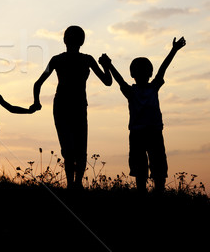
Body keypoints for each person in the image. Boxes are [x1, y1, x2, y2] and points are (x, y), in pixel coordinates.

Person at [99, 36, 186, 194]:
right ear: (150, 73)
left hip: (141, 133)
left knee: (144, 168)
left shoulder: (133, 91)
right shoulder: (150, 88)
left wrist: (109, 65)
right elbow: (163, 68)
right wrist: (174, 50)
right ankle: (154, 192)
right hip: (150, 132)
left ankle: (144, 193)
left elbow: (119, 80)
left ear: (132, 73)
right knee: (154, 167)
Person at [32, 25, 112, 189]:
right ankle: (74, 184)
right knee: (75, 148)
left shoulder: (61, 59)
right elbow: (108, 81)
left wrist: (36, 102)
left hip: (71, 106)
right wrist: (106, 65)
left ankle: (74, 184)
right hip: (69, 106)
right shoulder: (80, 59)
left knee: (72, 148)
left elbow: (37, 84)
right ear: (82, 41)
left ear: (64, 40)